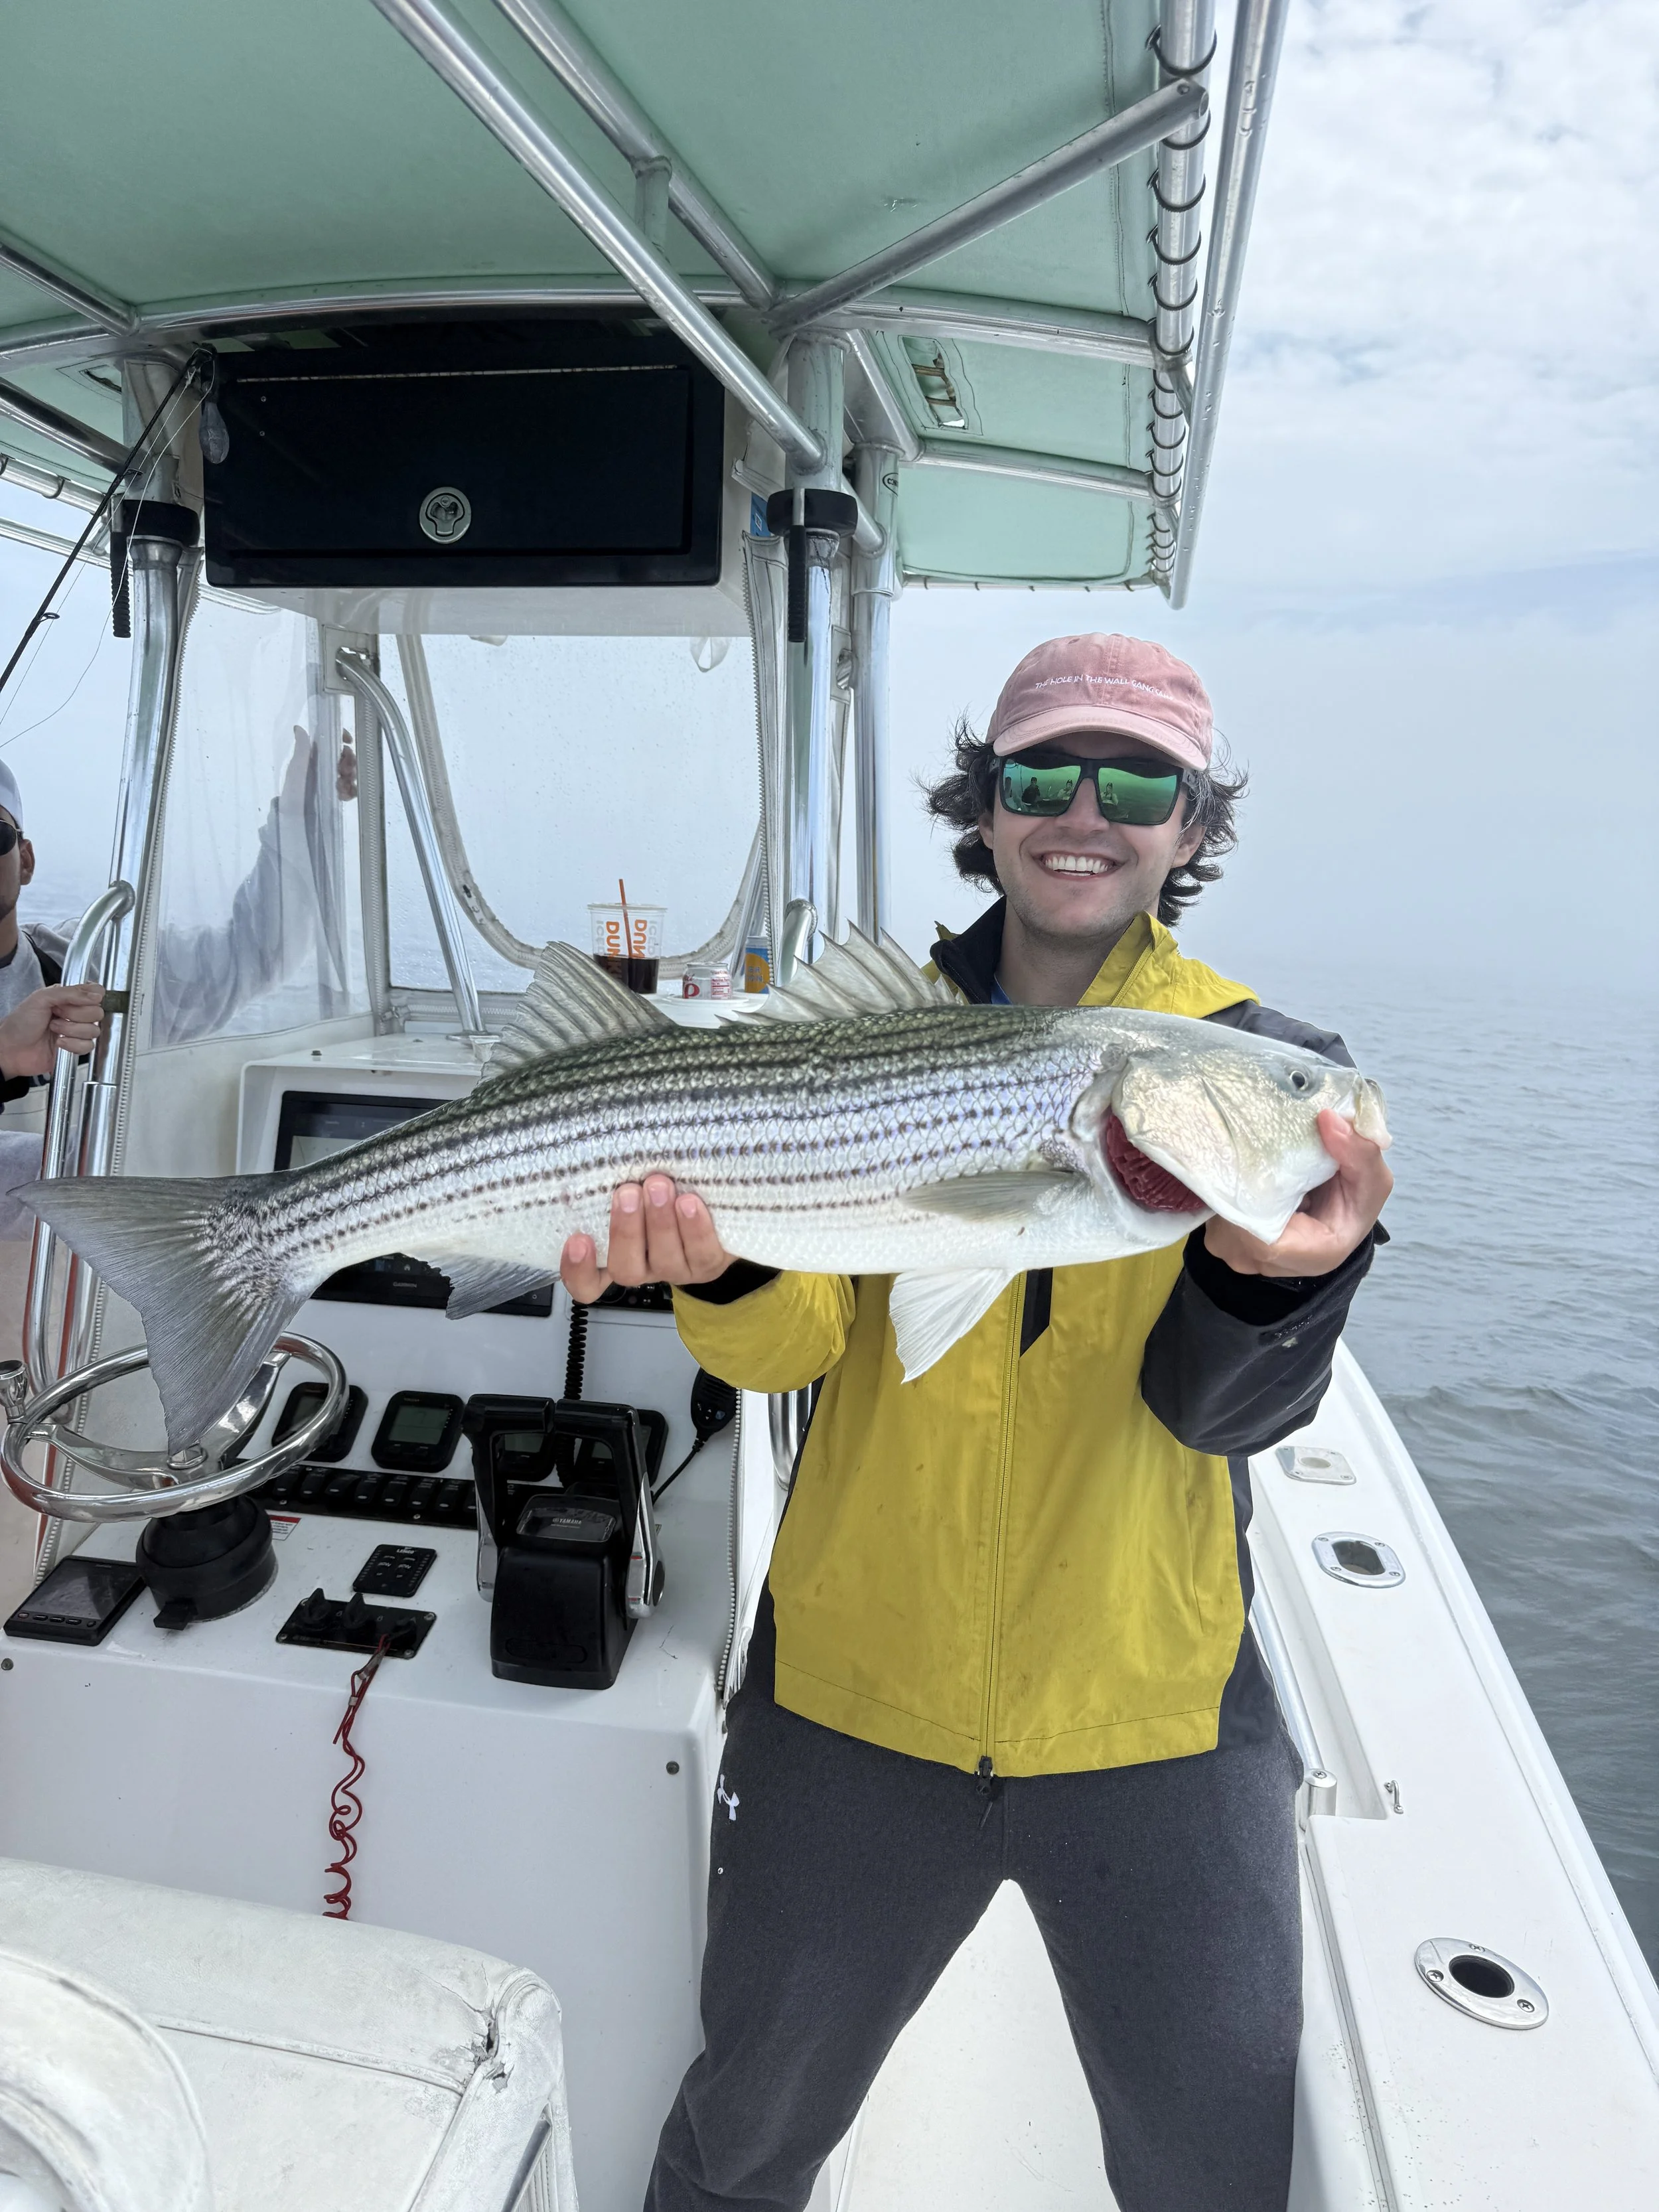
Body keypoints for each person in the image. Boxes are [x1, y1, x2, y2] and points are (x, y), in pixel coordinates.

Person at [559, 634, 1394, 2212]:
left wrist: (1269, 1283)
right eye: (1042, 774)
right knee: (741, 2140)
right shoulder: (858, 1033)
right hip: (856, 1691)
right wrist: (728, 1253)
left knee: (1211, 2167)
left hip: (1150, 1707)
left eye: (1140, 778)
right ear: (988, 805)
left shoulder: (1267, 1065)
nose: (1088, 810)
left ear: (1192, 823)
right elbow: (793, 1344)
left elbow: (1224, 1411)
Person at [0, 729, 354, 1237]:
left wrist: (299, 813)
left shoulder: (94, 968)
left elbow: (256, 951)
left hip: (78, 1309)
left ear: (26, 859)